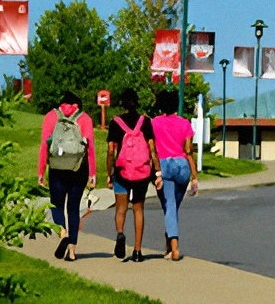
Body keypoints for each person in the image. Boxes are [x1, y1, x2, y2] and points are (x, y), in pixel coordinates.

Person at [37, 92, 96, 262]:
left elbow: (44, 145)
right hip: (79, 168)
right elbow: (90, 148)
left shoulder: (51, 116)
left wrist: (41, 171)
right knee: (73, 208)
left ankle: (62, 233)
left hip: (57, 169)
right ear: (77, 104)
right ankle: (72, 251)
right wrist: (93, 173)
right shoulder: (84, 118)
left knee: (56, 205)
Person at [106, 88, 162, 262]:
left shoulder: (115, 122)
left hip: (122, 172)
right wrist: (157, 172)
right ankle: (138, 251)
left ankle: (120, 234)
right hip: (142, 173)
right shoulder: (145, 121)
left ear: (122, 103)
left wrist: (110, 173)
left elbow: (110, 151)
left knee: (121, 209)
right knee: (138, 209)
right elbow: (152, 148)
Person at [151, 89, 197, 261]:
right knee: (174, 207)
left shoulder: (154, 123)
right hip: (182, 166)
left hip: (164, 166)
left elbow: (152, 148)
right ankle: (168, 245)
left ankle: (174, 247)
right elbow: (188, 150)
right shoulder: (185, 123)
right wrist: (194, 176)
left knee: (169, 206)